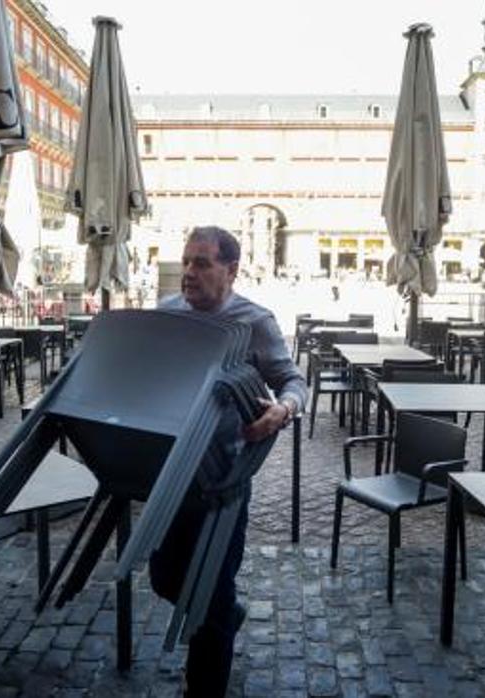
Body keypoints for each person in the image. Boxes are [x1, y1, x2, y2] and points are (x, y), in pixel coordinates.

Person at [154, 226, 307, 696]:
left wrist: (283, 410)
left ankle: (204, 683)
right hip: (172, 473)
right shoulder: (166, 314)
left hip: (224, 478)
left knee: (212, 589)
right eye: (187, 261)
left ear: (231, 270)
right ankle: (226, 615)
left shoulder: (254, 321)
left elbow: (292, 380)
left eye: (202, 263)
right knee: (164, 577)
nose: (190, 273)